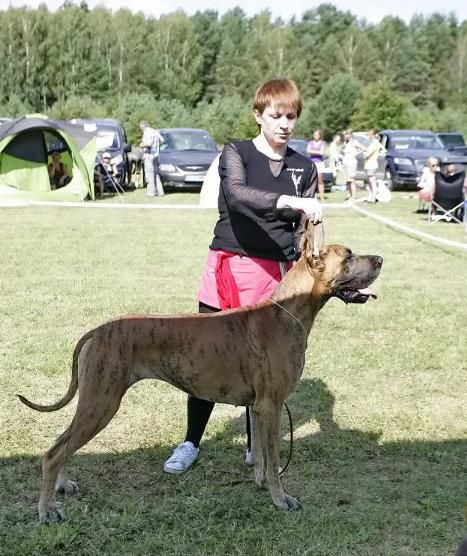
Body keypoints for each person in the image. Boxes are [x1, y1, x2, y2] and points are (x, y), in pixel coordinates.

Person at [163, 78, 323, 475]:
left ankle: (256, 449)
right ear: (258, 115)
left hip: (274, 279)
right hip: (228, 269)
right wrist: (288, 200)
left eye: (291, 116)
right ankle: (191, 442)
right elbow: (236, 194)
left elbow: (304, 233)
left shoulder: (305, 167)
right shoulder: (236, 153)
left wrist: (312, 237)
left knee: (263, 364)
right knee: (203, 356)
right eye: (276, 115)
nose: (284, 124)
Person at [139, 121, 165, 197]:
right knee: (156, 174)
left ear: (143, 127)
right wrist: (156, 147)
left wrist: (141, 145)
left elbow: (149, 144)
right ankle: (160, 192)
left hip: (149, 156)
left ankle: (151, 193)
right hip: (156, 156)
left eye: (141, 128)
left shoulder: (147, 132)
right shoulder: (155, 131)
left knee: (149, 174)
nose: (141, 130)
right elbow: (162, 140)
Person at [364, 130, 385, 202]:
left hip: (371, 164)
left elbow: (367, 155)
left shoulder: (374, 144)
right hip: (370, 164)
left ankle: (373, 198)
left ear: (373, 135)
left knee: (372, 182)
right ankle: (370, 197)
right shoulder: (376, 143)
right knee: (370, 182)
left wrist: (365, 153)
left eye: (369, 135)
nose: (368, 136)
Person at [306, 129, 326, 202]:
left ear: (320, 135)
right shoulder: (310, 142)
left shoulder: (322, 143)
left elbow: (321, 152)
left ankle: (322, 197)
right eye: (314, 135)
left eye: (317, 135)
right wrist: (317, 152)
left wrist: (313, 151)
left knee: (320, 181)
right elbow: (308, 150)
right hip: (312, 163)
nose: (315, 136)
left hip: (320, 163)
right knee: (311, 181)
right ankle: (312, 197)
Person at [342, 129, 361, 202]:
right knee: (347, 181)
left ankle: (353, 197)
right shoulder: (345, 143)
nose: (345, 136)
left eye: (346, 134)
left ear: (350, 135)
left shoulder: (354, 142)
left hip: (351, 163)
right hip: (345, 163)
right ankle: (350, 195)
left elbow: (363, 148)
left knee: (351, 180)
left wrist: (356, 154)